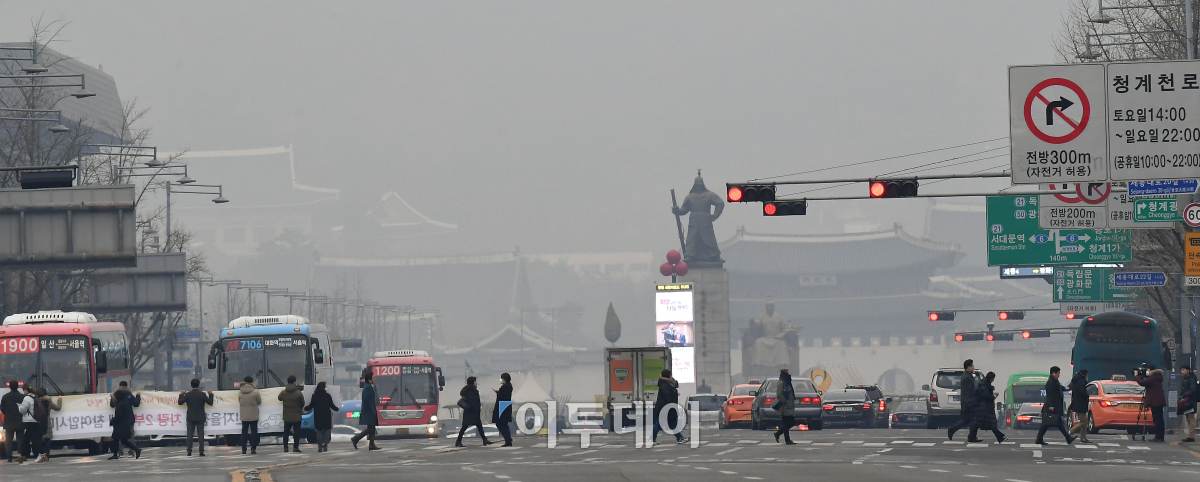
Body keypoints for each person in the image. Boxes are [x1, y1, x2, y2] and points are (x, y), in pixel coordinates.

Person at [1036, 366, 1075, 445]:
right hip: (1053, 405)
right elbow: (1050, 394)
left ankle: (1039, 439)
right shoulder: (1050, 382)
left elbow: (1058, 388)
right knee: (1052, 423)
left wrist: (1065, 388)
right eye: (1058, 373)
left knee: (1049, 423)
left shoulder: (1054, 381)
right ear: (1054, 373)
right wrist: (1051, 405)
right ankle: (1068, 438)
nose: (1059, 375)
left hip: (1055, 405)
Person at [177, 378, 214, 456]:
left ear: (191, 385)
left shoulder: (188, 395)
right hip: (200, 417)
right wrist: (210, 394)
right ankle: (201, 451)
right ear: (199, 385)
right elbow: (210, 402)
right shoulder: (202, 394)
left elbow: (180, 402)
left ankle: (189, 451)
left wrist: (181, 394)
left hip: (190, 417)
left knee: (189, 435)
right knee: (201, 435)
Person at [651, 368, 687, 446]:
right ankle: (652, 439)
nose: (671, 376)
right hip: (665, 408)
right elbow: (667, 397)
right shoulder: (664, 385)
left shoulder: (668, 383)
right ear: (668, 376)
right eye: (670, 375)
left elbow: (676, 386)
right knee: (659, 423)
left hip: (668, 407)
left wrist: (672, 380)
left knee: (672, 423)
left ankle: (680, 438)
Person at [947, 359, 980, 442]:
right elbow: (968, 391)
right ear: (968, 367)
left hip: (966, 402)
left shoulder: (966, 375)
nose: (973, 367)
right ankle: (971, 437)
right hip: (968, 402)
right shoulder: (967, 377)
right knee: (974, 420)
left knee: (967, 420)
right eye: (972, 366)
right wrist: (969, 402)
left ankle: (953, 429)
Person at [108, 381, 141, 460]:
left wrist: (113, 421)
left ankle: (119, 452)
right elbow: (136, 403)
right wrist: (138, 396)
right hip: (129, 420)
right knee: (128, 438)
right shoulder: (129, 396)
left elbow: (113, 406)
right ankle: (133, 451)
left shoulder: (119, 400)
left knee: (118, 438)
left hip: (121, 423)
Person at [972, 372, 1008, 443]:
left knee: (978, 423)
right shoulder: (984, 386)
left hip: (984, 408)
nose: (993, 380)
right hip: (985, 408)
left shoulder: (984, 384)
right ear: (991, 378)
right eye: (993, 379)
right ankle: (1000, 437)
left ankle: (971, 436)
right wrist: (993, 396)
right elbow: (985, 396)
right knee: (991, 423)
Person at [456, 376, 492, 447]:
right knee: (466, 426)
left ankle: (484, 439)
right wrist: (474, 408)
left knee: (477, 426)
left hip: (472, 412)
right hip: (471, 412)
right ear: (472, 382)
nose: (476, 383)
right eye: (475, 381)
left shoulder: (471, 390)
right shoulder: (470, 391)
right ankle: (458, 441)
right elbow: (472, 401)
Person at [1134, 364, 1166, 442]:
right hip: (1158, 401)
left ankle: (1158, 436)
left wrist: (1136, 376)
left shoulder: (1154, 378)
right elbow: (1146, 381)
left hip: (1155, 401)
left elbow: (1142, 383)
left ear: (1151, 370)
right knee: (1159, 419)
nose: (1147, 372)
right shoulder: (1157, 377)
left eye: (1148, 370)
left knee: (1157, 419)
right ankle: (1160, 436)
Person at [304, 382, 339, 452]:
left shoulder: (314, 396)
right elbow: (332, 405)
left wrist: (305, 408)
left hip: (318, 416)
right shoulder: (327, 396)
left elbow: (311, 405)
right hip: (327, 416)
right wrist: (337, 409)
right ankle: (325, 444)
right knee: (327, 430)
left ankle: (320, 445)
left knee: (319, 430)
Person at [351, 370, 380, 450]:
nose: (374, 379)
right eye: (373, 378)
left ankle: (372, 444)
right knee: (370, 429)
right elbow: (368, 401)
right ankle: (356, 438)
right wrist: (373, 411)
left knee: (372, 428)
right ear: (369, 379)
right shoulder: (368, 388)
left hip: (369, 411)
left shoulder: (368, 387)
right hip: (369, 412)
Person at [278, 375, 307, 452]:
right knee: (297, 432)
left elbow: (279, 398)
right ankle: (295, 447)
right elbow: (302, 403)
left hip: (287, 416)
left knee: (286, 432)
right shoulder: (298, 393)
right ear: (295, 382)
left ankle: (285, 447)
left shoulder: (283, 392)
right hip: (296, 416)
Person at [34, 388, 60, 463]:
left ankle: (41, 455)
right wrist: (59, 400)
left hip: (38, 421)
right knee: (47, 439)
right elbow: (58, 408)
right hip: (47, 421)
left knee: (39, 439)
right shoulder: (48, 402)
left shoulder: (36, 402)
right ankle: (47, 456)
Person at [2, 380, 25, 463]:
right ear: (18, 386)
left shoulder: (5, 397)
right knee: (20, 439)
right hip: (20, 420)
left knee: (8, 440)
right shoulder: (22, 396)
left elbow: (3, 410)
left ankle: (9, 457)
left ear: (10, 387)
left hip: (9, 421)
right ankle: (20, 455)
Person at [238, 376, 262, 454]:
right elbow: (259, 402)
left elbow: (240, 401)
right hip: (253, 415)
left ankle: (243, 449)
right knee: (254, 432)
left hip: (244, 415)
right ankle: (253, 448)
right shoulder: (255, 392)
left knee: (244, 432)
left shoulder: (240, 392)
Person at [17, 385, 41, 462]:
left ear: (26, 390)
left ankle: (38, 455)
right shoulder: (35, 397)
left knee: (31, 439)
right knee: (27, 439)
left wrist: (19, 407)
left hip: (29, 421)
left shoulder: (27, 398)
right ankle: (23, 455)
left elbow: (22, 410)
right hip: (36, 420)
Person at [773, 368, 797, 445]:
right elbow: (779, 395)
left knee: (787, 423)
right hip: (785, 407)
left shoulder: (787, 382)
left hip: (789, 406)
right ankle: (780, 435)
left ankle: (785, 438)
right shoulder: (781, 383)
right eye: (787, 372)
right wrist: (785, 401)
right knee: (790, 422)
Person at [1067, 369, 1091, 444]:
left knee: (1085, 422)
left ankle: (1083, 438)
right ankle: (1070, 431)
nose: (1087, 376)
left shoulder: (1076, 381)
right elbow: (1082, 392)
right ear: (1083, 375)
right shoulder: (1081, 382)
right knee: (1083, 422)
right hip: (1081, 405)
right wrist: (1087, 396)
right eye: (1086, 375)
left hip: (1077, 404)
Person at [491, 373, 513, 447]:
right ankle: (508, 439)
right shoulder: (509, 386)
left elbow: (503, 397)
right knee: (504, 424)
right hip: (505, 407)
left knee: (501, 423)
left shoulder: (505, 387)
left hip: (502, 407)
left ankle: (508, 439)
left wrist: (498, 393)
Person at [1179, 365, 1197, 443]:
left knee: (1191, 418)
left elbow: (1193, 390)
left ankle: (1191, 436)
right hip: (1186, 401)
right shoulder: (1186, 378)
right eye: (1181, 370)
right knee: (1188, 418)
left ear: (1188, 370)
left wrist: (1184, 395)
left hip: (1190, 401)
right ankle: (1190, 435)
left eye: (1183, 370)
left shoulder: (1191, 379)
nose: (1182, 372)